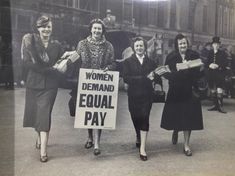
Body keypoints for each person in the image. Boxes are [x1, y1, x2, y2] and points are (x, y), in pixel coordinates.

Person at [71, 18, 116, 155]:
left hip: (102, 83)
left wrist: (108, 68)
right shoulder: (82, 44)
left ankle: (97, 143)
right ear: (90, 29)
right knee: (88, 112)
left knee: (99, 113)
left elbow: (113, 63)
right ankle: (90, 136)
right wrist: (68, 60)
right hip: (86, 83)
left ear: (103, 31)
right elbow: (75, 60)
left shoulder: (109, 46)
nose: (97, 30)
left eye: (99, 28)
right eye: (94, 28)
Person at [22, 15, 63, 162]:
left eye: (49, 26)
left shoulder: (57, 45)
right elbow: (26, 63)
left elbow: (62, 61)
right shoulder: (30, 42)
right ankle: (39, 137)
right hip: (33, 84)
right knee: (36, 115)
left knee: (44, 115)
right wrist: (47, 70)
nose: (46, 29)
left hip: (50, 86)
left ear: (52, 29)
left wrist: (64, 66)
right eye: (43, 26)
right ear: (38, 28)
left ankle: (43, 152)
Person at [160, 33, 204, 156]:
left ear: (187, 44)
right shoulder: (171, 57)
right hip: (176, 91)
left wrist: (200, 69)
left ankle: (186, 145)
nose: (183, 45)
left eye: (184, 43)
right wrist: (177, 74)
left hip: (190, 91)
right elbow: (165, 73)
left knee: (188, 118)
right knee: (177, 116)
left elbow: (199, 75)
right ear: (177, 45)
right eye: (180, 44)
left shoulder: (194, 55)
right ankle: (176, 130)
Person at [123, 36, 159, 161]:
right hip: (133, 95)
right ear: (134, 48)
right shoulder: (127, 62)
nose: (139, 48)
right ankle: (138, 135)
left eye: (141, 46)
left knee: (144, 117)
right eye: (137, 46)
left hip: (147, 95)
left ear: (145, 47)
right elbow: (126, 78)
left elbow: (157, 76)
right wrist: (145, 78)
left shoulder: (151, 62)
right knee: (135, 117)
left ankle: (142, 148)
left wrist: (156, 76)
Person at [206, 36, 228, 113]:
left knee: (219, 89)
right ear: (212, 45)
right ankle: (215, 105)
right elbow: (207, 63)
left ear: (219, 45)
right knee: (212, 89)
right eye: (215, 44)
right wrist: (209, 65)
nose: (216, 45)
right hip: (211, 73)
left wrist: (218, 66)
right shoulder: (210, 53)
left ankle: (220, 106)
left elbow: (225, 63)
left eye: (217, 44)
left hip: (219, 73)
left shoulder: (223, 53)